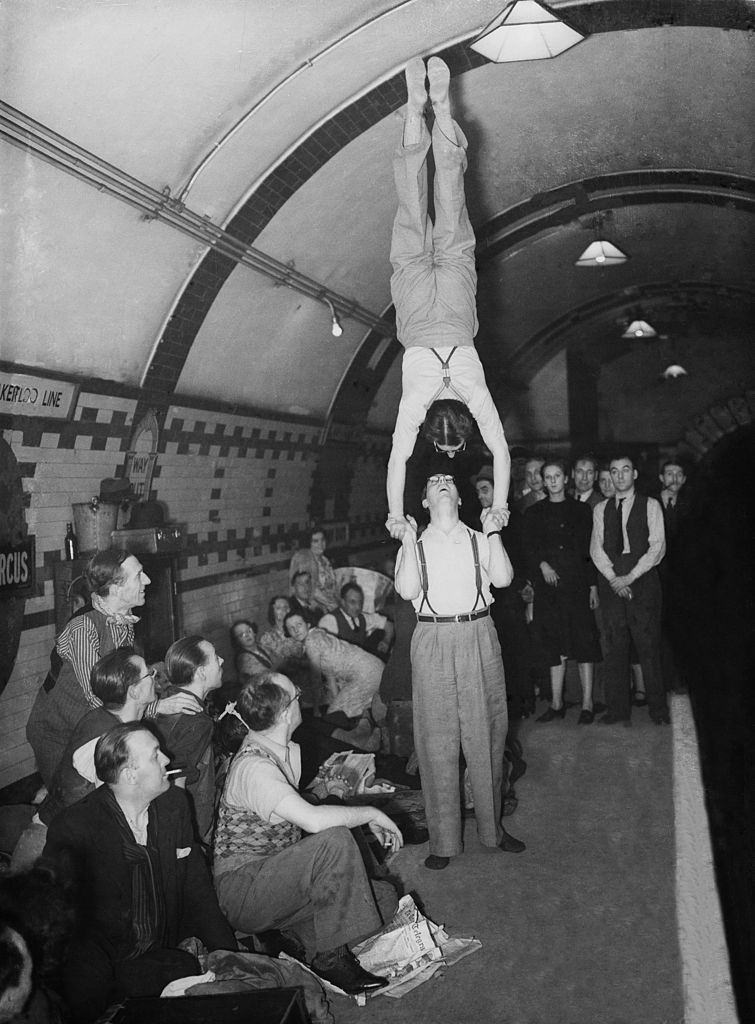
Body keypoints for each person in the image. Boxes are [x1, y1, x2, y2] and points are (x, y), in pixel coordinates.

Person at [384, 56, 510, 543]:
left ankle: (440, 110)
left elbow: (501, 452)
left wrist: (499, 506)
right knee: (412, 208)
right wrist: (396, 515)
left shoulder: (475, 393)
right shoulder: (414, 403)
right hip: (416, 319)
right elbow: (398, 457)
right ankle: (415, 117)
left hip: (455, 317)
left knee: (451, 203)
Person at [213, 674, 401, 996]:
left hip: (276, 873)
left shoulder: (275, 747)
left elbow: (293, 811)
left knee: (382, 899)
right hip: (245, 887)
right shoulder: (254, 767)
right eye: (297, 694)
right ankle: (330, 959)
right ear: (285, 713)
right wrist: (371, 813)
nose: (302, 697)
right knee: (336, 837)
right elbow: (313, 821)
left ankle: (288, 938)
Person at [42, 722, 237, 1023]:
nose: (167, 760)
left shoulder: (174, 805)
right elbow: (66, 926)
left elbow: (198, 891)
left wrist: (230, 956)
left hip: (155, 951)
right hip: (101, 960)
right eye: (156, 755)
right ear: (130, 774)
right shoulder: (76, 827)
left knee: (185, 970)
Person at [394, 472, 525, 870]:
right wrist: (404, 540)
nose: (443, 481)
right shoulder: (414, 543)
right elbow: (405, 591)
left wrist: (493, 532)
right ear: (425, 501)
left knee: (486, 733)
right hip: (433, 637)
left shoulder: (478, 538)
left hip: (478, 633)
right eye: (433, 481)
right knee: (436, 741)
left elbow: (503, 578)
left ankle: (492, 830)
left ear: (460, 498)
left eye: (449, 478)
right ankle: (443, 841)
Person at [26, 549, 197, 787]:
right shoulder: (83, 628)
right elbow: (101, 698)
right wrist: (158, 707)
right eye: (139, 575)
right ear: (116, 589)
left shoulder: (123, 622)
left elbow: (123, 688)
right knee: (68, 803)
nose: (147, 580)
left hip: (93, 725)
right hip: (58, 733)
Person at [12, 647, 159, 871]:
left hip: (70, 842)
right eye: (149, 674)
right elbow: (112, 814)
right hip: (49, 851)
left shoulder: (111, 720)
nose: (155, 677)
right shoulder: (106, 738)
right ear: (135, 692)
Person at [590, 454, 670, 725]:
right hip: (611, 583)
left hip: (643, 582)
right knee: (614, 649)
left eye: (625, 470)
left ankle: (658, 711)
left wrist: (630, 577)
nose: (620, 476)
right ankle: (617, 710)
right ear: (610, 476)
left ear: (635, 474)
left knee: (648, 647)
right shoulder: (600, 509)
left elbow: (657, 547)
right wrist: (614, 578)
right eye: (614, 471)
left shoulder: (651, 505)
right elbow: (596, 549)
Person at [524, 459, 601, 724]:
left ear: (566, 478)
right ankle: (557, 703)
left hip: (577, 586)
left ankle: (588, 704)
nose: (554, 481)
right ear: (543, 481)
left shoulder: (581, 511)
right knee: (553, 646)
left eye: (558, 475)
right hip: (549, 589)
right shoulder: (533, 513)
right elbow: (529, 549)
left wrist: (592, 585)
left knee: (583, 644)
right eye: (549, 477)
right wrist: (542, 565)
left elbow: (588, 552)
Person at [471, 465, 534, 718]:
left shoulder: (514, 519)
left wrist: (522, 586)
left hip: (510, 597)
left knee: (515, 649)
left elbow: (522, 557)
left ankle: (523, 702)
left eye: (485, 490)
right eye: (478, 492)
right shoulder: (476, 523)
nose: (481, 496)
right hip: (489, 599)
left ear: (499, 491)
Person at [155, 636, 224, 841]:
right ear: (201, 672)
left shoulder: (168, 702)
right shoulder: (197, 722)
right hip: (188, 829)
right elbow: (177, 780)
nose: (222, 661)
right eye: (215, 658)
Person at [284, 612, 385, 723]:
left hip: (367, 674)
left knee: (333, 716)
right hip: (377, 668)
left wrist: (316, 710)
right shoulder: (318, 634)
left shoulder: (311, 642)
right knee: (338, 712)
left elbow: (316, 680)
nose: (296, 630)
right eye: (291, 628)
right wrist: (336, 702)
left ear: (307, 624)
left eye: (299, 624)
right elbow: (330, 676)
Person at [318, 581, 395, 659]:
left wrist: (386, 641)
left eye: (360, 602)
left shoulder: (362, 618)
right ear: (343, 602)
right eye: (353, 602)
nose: (358, 607)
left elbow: (389, 625)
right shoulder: (329, 621)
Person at [288, 528, 338, 613]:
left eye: (323, 540)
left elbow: (331, 584)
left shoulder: (324, 559)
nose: (320, 544)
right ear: (309, 543)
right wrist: (332, 604)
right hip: (311, 609)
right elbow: (309, 588)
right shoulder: (305, 559)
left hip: (328, 606)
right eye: (315, 541)